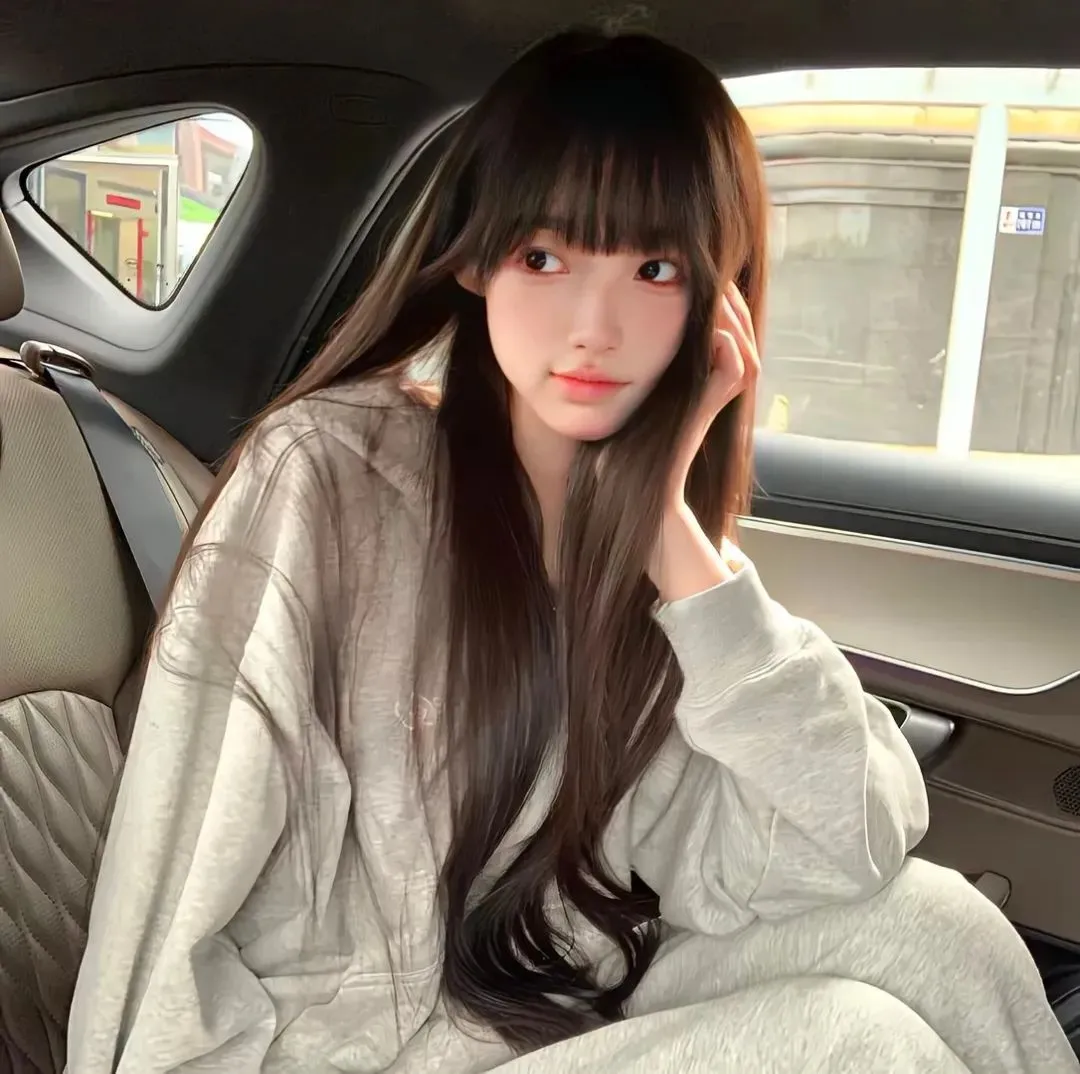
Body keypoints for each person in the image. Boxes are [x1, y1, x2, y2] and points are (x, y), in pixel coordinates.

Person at [67, 28, 1077, 1074]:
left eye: (654, 268)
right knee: (855, 1047)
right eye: (544, 257)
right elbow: (178, 858)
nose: (595, 326)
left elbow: (848, 842)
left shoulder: (644, 551)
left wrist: (671, 533)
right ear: (475, 259)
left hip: (544, 1002)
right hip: (341, 1050)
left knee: (937, 926)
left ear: (718, 298)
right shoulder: (328, 476)